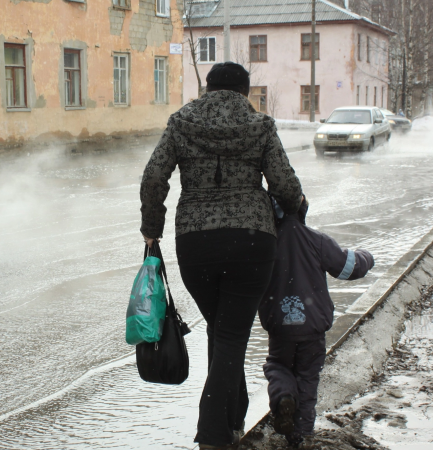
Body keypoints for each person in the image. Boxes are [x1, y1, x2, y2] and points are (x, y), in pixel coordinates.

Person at [140, 62, 304, 449]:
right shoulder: (260, 126)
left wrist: (152, 229)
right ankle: (213, 432)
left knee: (222, 329)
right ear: (244, 91)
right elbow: (284, 182)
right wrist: (297, 203)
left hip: (195, 244)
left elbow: (153, 178)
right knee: (230, 333)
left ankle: (234, 413)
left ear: (207, 89)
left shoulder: (182, 122)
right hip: (252, 241)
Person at [260, 199, 374, 448]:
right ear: (302, 211)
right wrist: (367, 256)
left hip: (280, 328)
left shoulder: (266, 244)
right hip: (311, 328)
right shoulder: (316, 240)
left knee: (278, 366)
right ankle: (301, 433)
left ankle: (283, 397)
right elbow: (348, 267)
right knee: (308, 377)